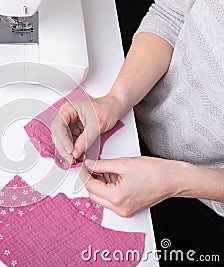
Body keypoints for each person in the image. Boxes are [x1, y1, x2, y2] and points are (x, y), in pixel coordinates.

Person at [52, 0, 224, 265]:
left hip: (206, 201)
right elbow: (172, 13)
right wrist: (115, 101)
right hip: (139, 121)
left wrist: (178, 181)